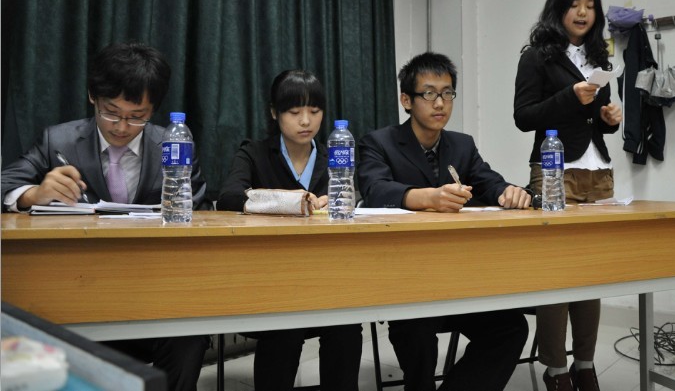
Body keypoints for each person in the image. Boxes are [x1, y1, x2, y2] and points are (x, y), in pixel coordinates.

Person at [1, 41, 210, 391]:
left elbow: (199, 209)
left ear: (154, 110)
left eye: (137, 116)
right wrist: (33, 194)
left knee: (190, 334)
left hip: (153, 292)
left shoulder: (173, 146)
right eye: (111, 112)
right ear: (92, 97)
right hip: (79, 293)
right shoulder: (60, 141)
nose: (121, 127)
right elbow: (4, 183)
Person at [357, 52, 530, 391]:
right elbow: (374, 190)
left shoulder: (461, 145)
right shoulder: (379, 142)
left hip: (458, 277)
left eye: (448, 93)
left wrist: (508, 192)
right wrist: (427, 198)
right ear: (406, 100)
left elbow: (488, 182)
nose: (440, 103)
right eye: (429, 93)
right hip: (405, 281)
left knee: (511, 328)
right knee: (417, 333)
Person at [216, 69, 362, 391]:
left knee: (347, 325)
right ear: (274, 113)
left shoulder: (334, 158)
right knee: (284, 324)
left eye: (315, 111)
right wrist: (288, 201)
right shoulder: (254, 153)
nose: (306, 121)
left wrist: (341, 201)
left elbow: (358, 199)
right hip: (270, 278)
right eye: (294, 112)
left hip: (326, 277)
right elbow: (228, 197)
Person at [513, 0, 623, 391]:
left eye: (590, 5)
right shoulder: (536, 57)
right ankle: (556, 369)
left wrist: (609, 120)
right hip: (554, 172)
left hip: (599, 173)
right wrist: (569, 97)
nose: (583, 12)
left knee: (591, 274)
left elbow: (593, 119)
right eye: (575, 4)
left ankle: (586, 364)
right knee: (557, 273)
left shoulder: (600, 57)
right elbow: (524, 116)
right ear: (558, 9)